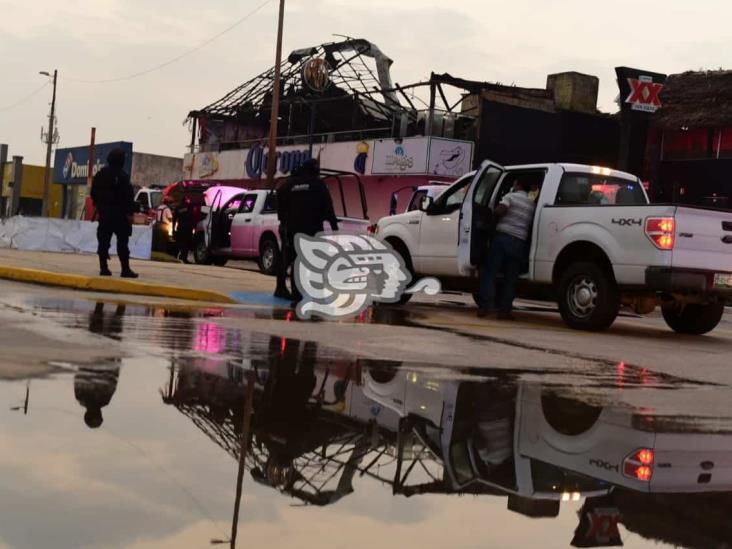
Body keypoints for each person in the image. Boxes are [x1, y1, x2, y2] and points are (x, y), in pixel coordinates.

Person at [275, 159, 339, 302]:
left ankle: (294, 296)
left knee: (294, 261)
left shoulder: (289, 184)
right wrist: (335, 228)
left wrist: (283, 220)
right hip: (313, 229)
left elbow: (279, 196)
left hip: (292, 229)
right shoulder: (318, 184)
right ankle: (318, 295)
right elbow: (328, 207)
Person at [477, 177, 536, 320]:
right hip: (519, 243)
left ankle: (485, 307)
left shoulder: (510, 197)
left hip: (503, 239)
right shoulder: (531, 204)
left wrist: (490, 222)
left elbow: (499, 211)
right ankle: (504, 311)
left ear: (518, 185)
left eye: (514, 183)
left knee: (490, 273)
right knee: (511, 278)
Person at [91, 148, 138, 278]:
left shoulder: (100, 175)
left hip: (105, 214)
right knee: (122, 242)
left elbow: (93, 194)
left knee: (103, 241)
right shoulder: (123, 176)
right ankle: (125, 269)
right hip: (119, 215)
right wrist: (131, 211)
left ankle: (104, 268)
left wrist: (99, 205)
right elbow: (128, 197)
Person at [172, 198, 194, 263]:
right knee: (186, 244)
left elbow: (174, 219)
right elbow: (192, 217)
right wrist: (193, 227)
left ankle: (176, 256)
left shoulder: (178, 208)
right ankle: (184, 257)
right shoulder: (190, 207)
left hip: (180, 227)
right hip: (188, 228)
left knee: (179, 243)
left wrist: (173, 229)